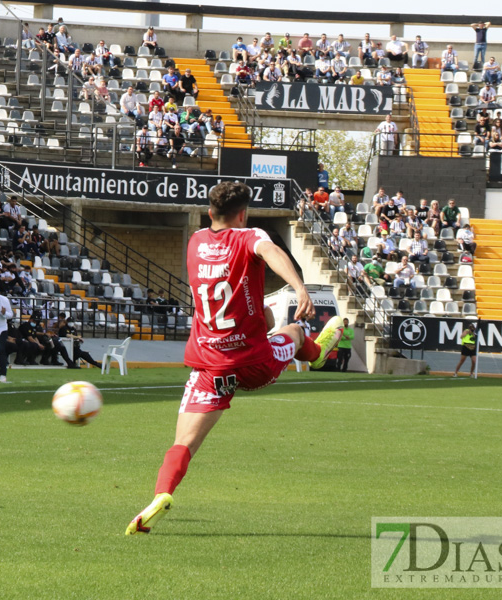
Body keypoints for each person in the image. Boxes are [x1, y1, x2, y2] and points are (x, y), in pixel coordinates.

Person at [125, 182, 346, 535]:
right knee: (294, 331)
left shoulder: (195, 242)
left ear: (210, 213)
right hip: (254, 364)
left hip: (210, 366)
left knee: (183, 443)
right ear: (242, 214)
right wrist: (299, 287)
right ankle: (317, 355)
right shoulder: (248, 237)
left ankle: (161, 493)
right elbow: (270, 252)